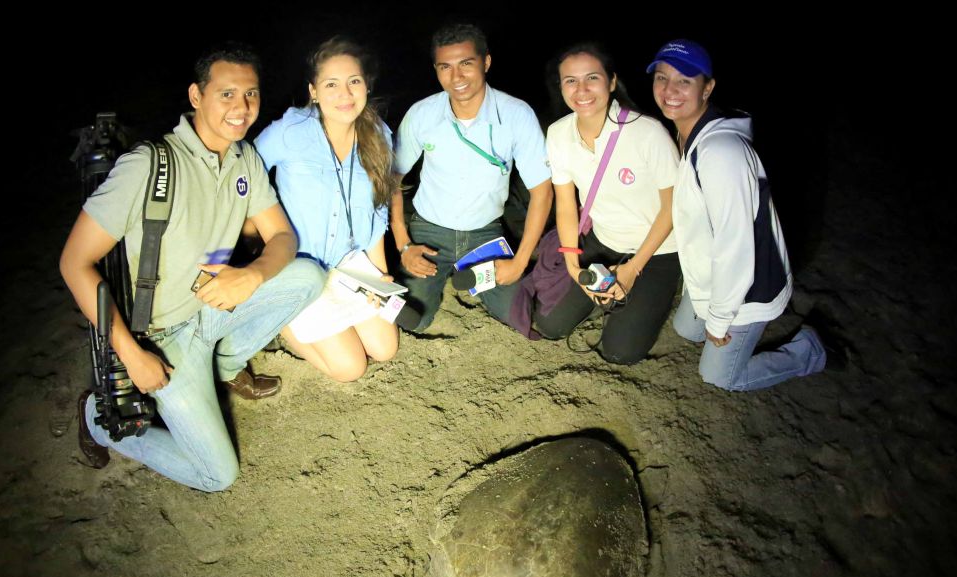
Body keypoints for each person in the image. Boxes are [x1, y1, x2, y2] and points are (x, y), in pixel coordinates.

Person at [60, 43, 323, 491]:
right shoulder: (150, 165)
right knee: (217, 475)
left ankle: (226, 364)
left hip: (209, 306)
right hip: (163, 339)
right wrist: (132, 355)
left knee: (309, 277)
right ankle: (96, 419)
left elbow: (283, 238)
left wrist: (252, 275)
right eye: (227, 94)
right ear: (196, 96)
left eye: (251, 94)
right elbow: (73, 263)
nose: (242, 108)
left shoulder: (244, 159)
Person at [648, 39, 828, 390]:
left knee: (718, 376)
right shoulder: (689, 132)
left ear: (708, 88)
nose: (669, 90)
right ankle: (717, 325)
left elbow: (736, 246)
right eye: (662, 77)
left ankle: (810, 351)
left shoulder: (721, 153)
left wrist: (719, 319)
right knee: (686, 329)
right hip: (717, 273)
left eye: (684, 80)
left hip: (751, 286)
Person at [391, 23, 553, 332]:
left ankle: (470, 273)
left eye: (466, 64)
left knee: (517, 313)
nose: (456, 77)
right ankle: (447, 276)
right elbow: (392, 178)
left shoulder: (516, 114)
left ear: (486, 62)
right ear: (436, 70)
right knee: (414, 319)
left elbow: (543, 192)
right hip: (429, 229)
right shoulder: (422, 114)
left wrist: (519, 262)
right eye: (445, 67)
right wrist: (403, 244)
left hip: (484, 232)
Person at [255, 38, 400, 382]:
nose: (345, 93)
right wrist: (264, 236)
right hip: (299, 266)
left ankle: (336, 319)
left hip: (349, 262)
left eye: (353, 81)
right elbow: (244, 177)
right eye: (331, 84)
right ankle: (282, 320)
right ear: (314, 91)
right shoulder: (290, 132)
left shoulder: (379, 134)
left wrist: (379, 279)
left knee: (385, 349)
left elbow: (377, 214)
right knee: (350, 368)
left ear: (366, 85)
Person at [532, 44, 682, 365]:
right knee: (549, 325)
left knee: (619, 352)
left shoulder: (647, 133)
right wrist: (573, 266)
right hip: (604, 241)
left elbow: (673, 208)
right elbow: (566, 205)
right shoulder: (559, 134)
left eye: (592, 78)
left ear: (611, 82)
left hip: (657, 250)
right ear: (560, 86)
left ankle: (655, 293)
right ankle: (606, 296)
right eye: (570, 81)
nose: (582, 90)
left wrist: (633, 269)